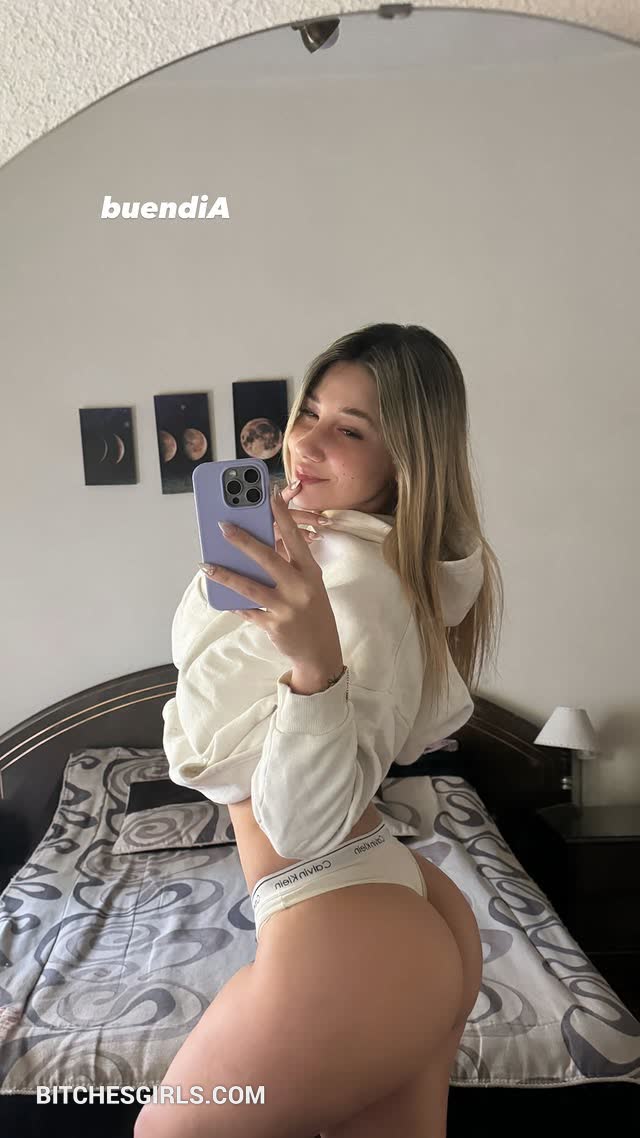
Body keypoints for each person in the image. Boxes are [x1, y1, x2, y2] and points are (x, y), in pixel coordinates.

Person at [137, 322, 504, 1138]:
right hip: (381, 911)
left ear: (407, 460)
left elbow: (300, 827)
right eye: (309, 412)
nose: (306, 441)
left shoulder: (360, 581)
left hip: (343, 922)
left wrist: (313, 667)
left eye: (351, 430)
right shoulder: (338, 555)